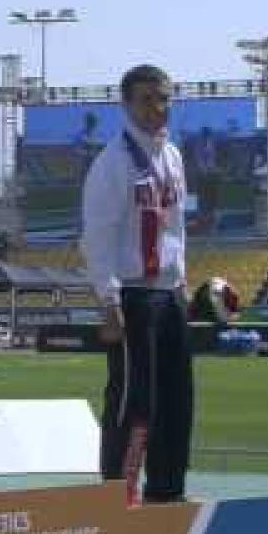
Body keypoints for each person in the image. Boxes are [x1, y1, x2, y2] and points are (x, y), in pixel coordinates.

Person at [81, 64, 195, 506]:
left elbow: (175, 227)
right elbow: (98, 236)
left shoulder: (173, 157)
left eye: (164, 98)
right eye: (147, 99)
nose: (157, 108)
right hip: (131, 293)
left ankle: (167, 491)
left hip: (169, 292)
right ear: (126, 104)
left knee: (176, 399)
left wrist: (181, 279)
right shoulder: (111, 164)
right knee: (134, 401)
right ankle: (117, 494)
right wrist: (108, 301)